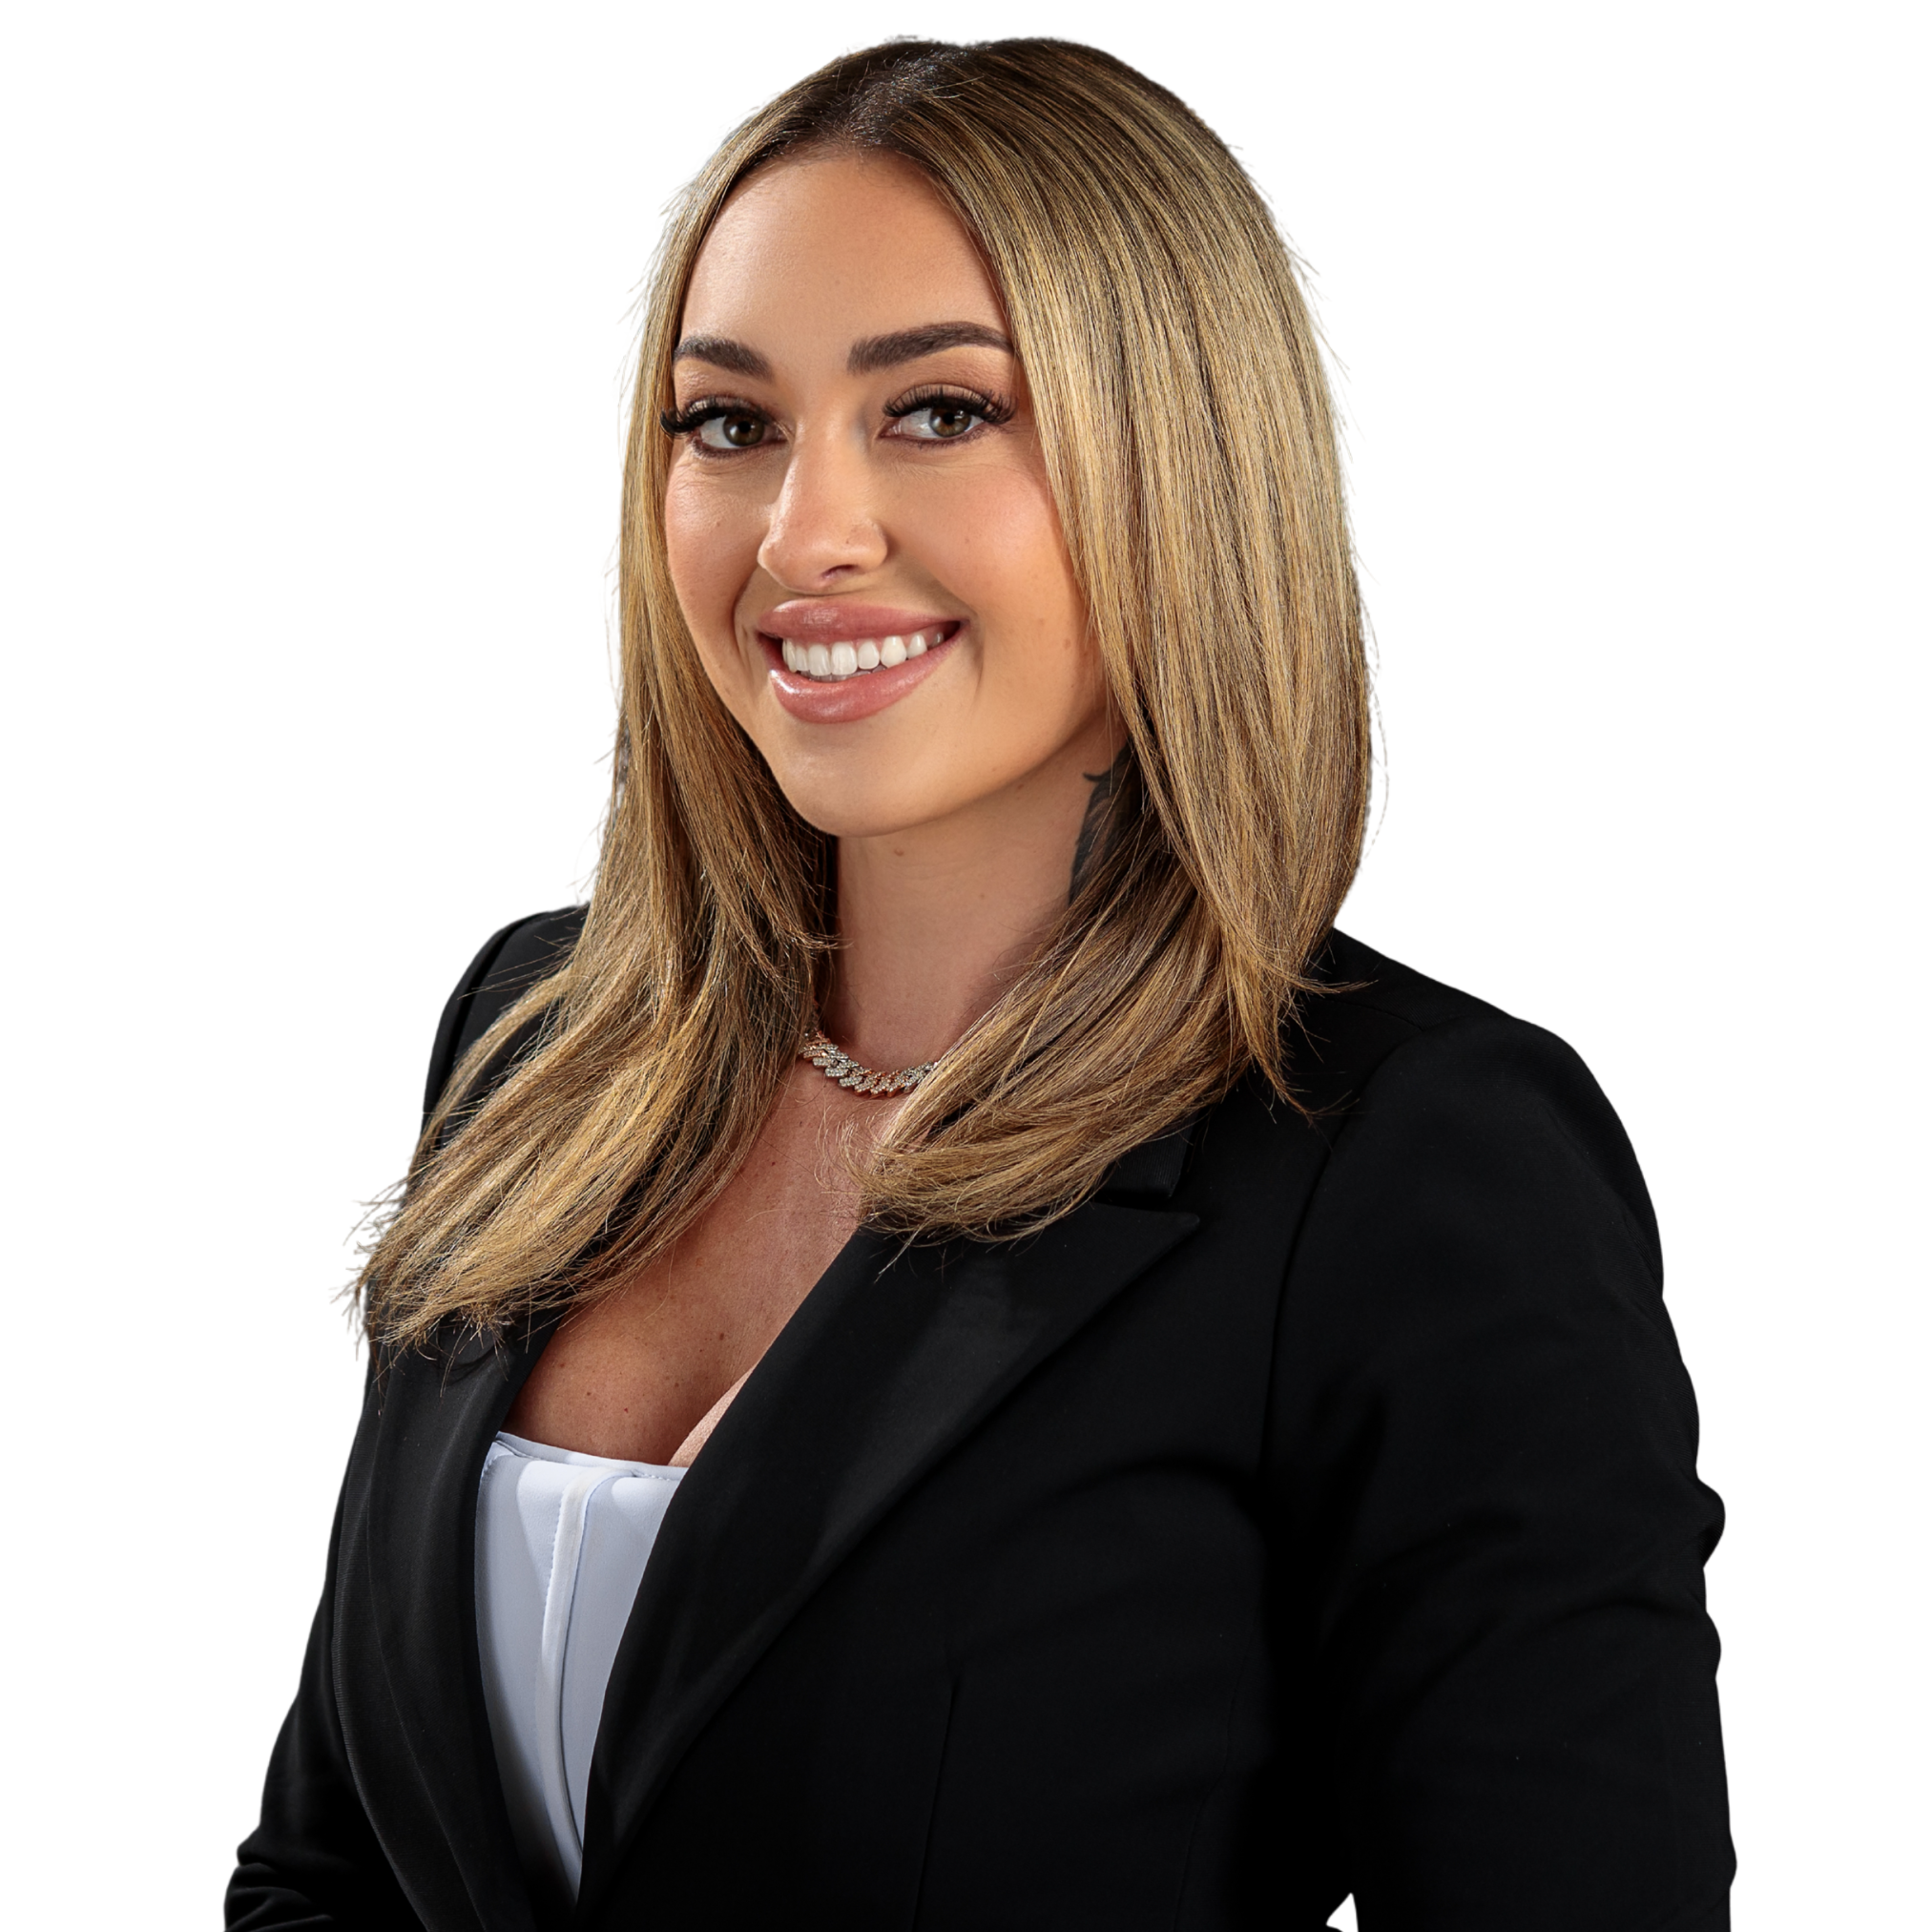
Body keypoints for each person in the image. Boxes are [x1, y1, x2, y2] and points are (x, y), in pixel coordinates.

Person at [228, 37, 1733, 1931]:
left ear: (1173, 465)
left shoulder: (1405, 1162)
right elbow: (331, 1863)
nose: (803, 531)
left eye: (937, 411)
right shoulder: (536, 1041)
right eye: (726, 422)